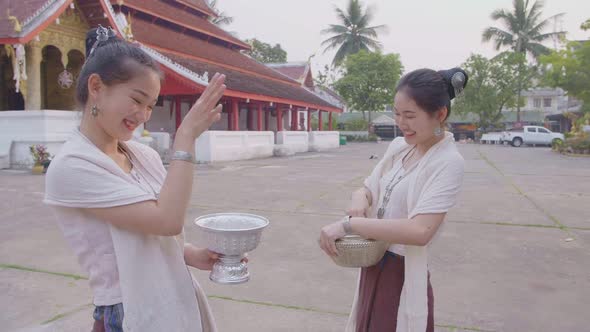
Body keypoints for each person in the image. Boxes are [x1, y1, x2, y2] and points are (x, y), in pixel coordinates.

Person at [44, 26, 226, 332]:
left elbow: (149, 234)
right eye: (137, 99)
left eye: (151, 106)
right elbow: (167, 221)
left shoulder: (144, 156)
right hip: (132, 308)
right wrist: (185, 139)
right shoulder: (71, 167)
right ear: (96, 87)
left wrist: (192, 254)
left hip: (176, 293)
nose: (143, 115)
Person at [319, 68, 468, 332]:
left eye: (410, 115)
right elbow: (367, 188)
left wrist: (348, 225)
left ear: (440, 114)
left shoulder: (447, 162)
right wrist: (359, 198)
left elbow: (420, 231)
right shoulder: (399, 147)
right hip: (373, 264)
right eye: (398, 114)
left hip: (402, 272)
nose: (402, 122)